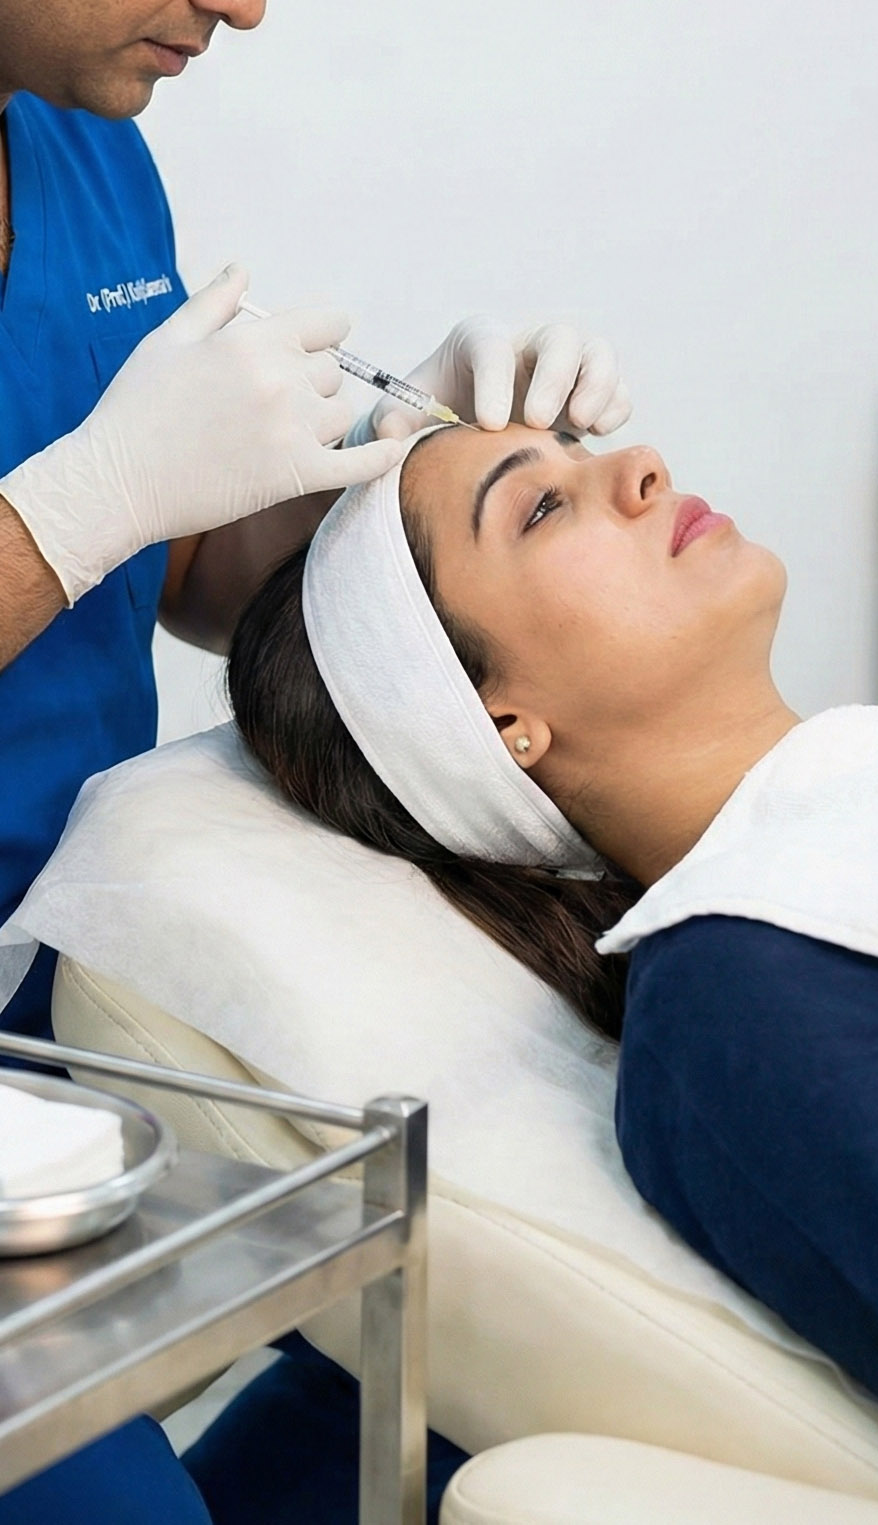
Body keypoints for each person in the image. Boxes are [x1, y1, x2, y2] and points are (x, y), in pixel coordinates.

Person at [0, 2, 630, 1518]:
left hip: (51, 1001)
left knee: (461, 1384)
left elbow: (178, 552)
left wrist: (389, 475)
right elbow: (99, 506)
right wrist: (77, 501)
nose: (242, 2)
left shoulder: (81, 139)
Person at [226, 419, 878, 1505]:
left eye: (577, 452)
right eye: (541, 505)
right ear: (498, 718)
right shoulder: (747, 987)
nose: (643, 467)